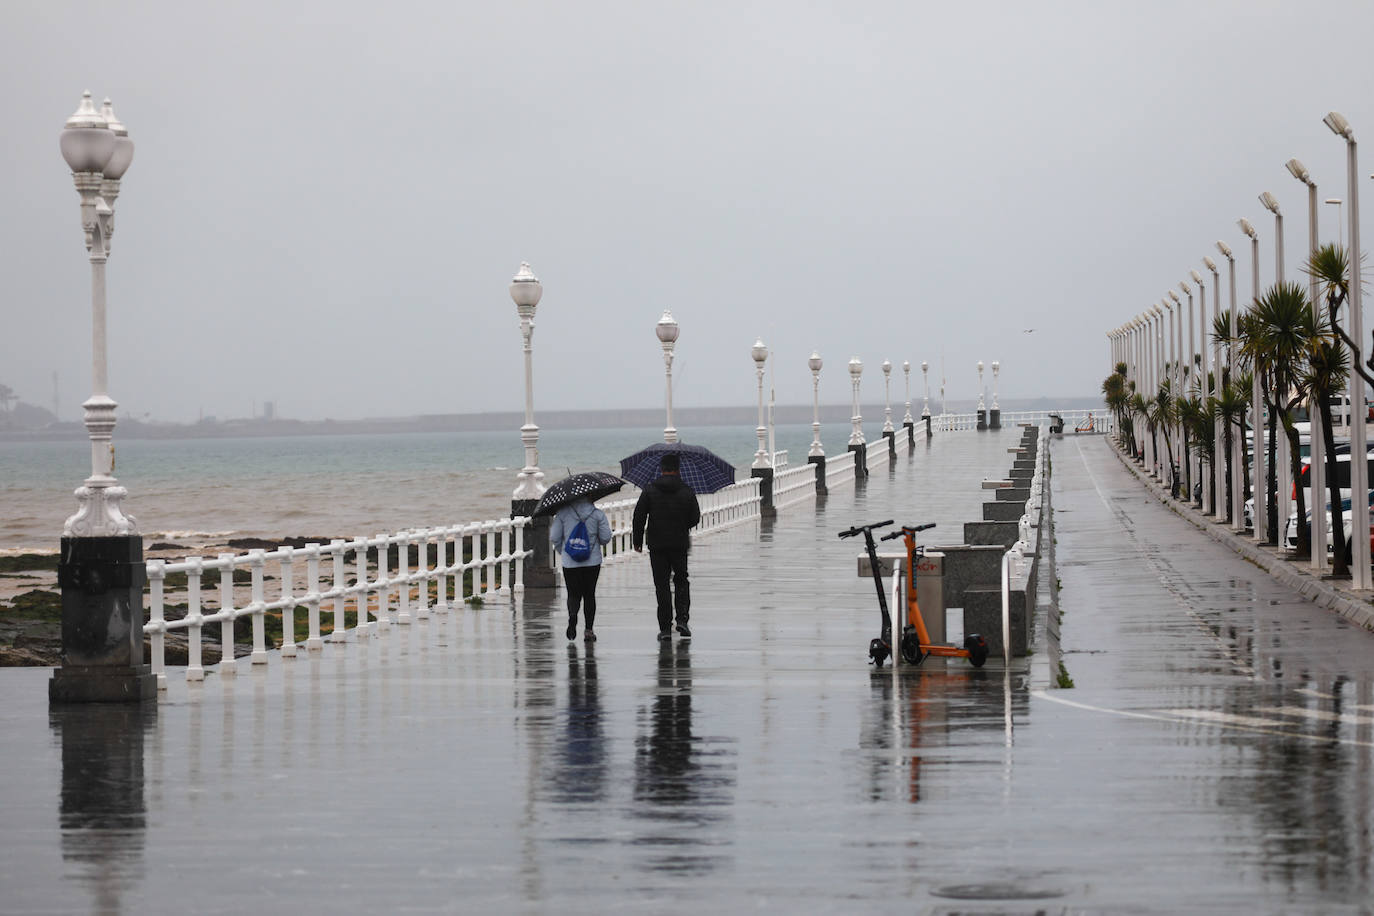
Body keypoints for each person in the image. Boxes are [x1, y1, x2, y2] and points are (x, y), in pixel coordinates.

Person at [632, 452, 702, 641]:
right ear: (678, 469)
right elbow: (695, 517)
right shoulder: (687, 490)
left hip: (657, 544)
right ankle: (682, 620)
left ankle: (665, 628)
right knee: (681, 580)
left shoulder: (650, 490)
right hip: (679, 543)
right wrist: (681, 525)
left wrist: (637, 541)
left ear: (661, 469)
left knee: (661, 585)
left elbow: (639, 516)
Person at [550, 496, 613, 642]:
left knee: (573, 594)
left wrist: (564, 552)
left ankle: (573, 616)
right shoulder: (597, 514)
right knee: (589, 595)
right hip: (592, 562)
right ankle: (589, 631)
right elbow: (605, 538)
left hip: (570, 563)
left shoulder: (563, 513)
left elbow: (554, 537)